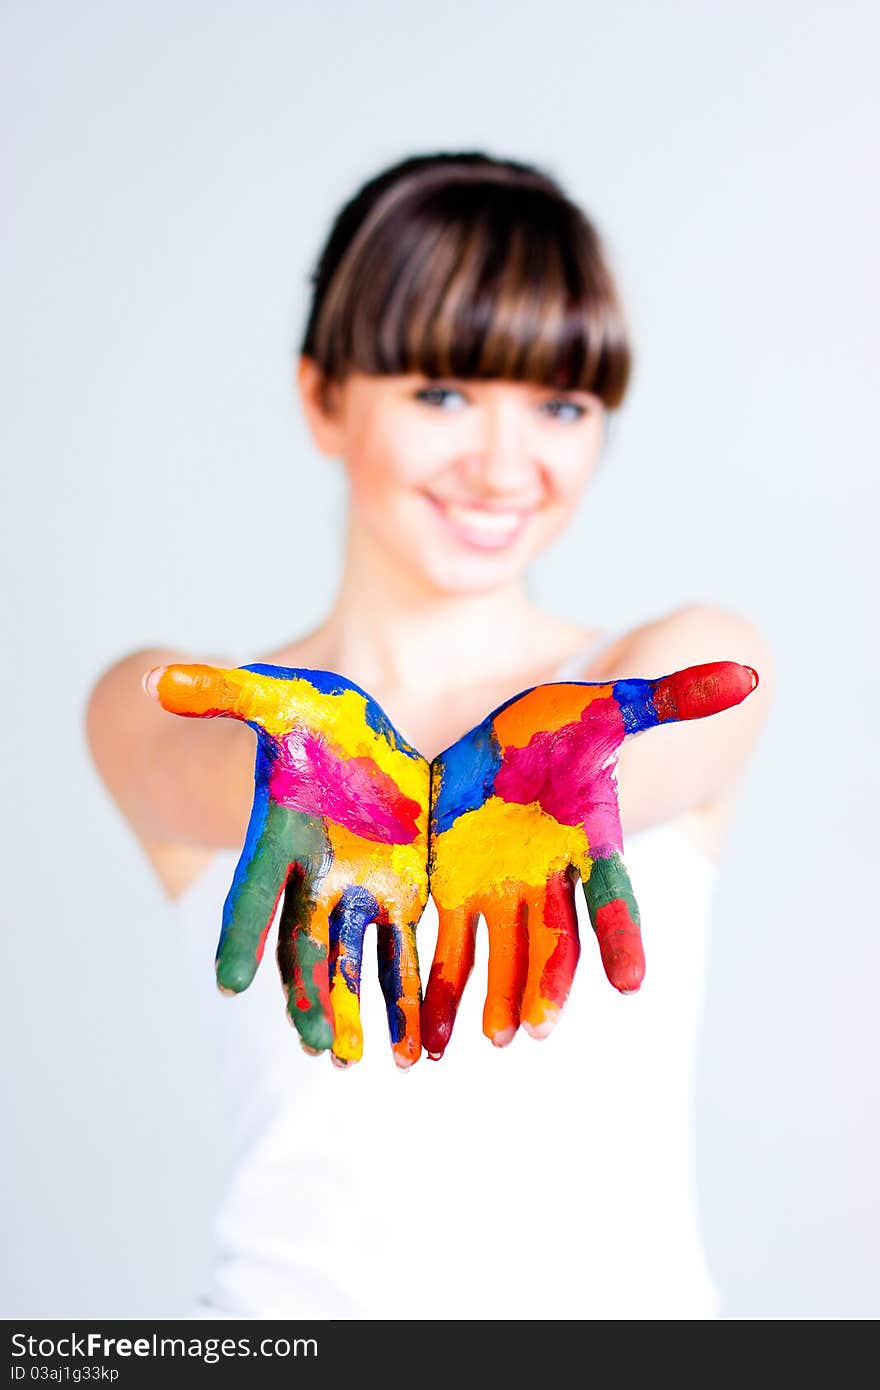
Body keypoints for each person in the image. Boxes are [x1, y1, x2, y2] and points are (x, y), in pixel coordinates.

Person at [85, 149, 775, 1320]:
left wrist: (535, 774)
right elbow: (180, 749)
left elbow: (673, 732)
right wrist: (293, 771)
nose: (505, 466)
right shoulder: (171, 706)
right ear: (322, 399)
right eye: (442, 393)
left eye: (560, 404)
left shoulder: (658, 677)